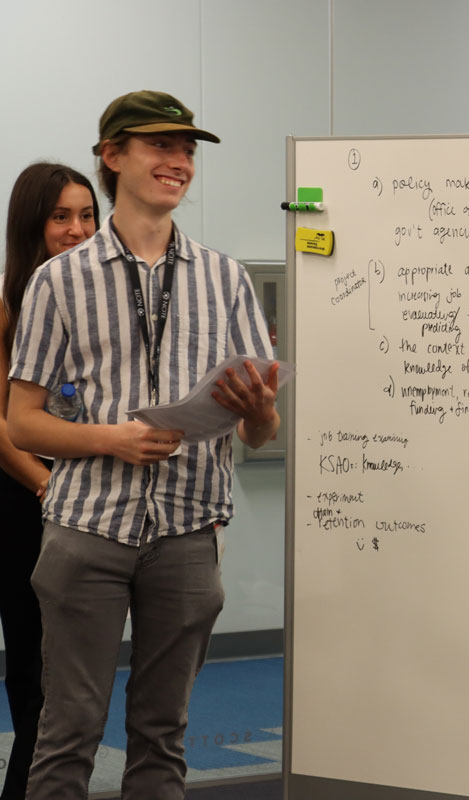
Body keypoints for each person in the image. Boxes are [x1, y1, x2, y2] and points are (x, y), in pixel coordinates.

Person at [7, 90, 280, 800]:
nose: (179, 160)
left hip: (190, 533)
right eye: (161, 145)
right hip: (86, 530)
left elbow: (261, 429)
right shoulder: (58, 280)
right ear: (112, 156)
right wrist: (113, 439)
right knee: (67, 730)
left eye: (188, 148)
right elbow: (22, 423)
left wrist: (258, 416)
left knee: (165, 734)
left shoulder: (226, 279)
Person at [0, 162, 98, 800]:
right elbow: (4, 427)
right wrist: (45, 486)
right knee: (39, 685)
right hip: (22, 502)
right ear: (32, 223)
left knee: (76, 685)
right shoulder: (8, 305)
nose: (77, 229)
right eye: (61, 216)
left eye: (87, 215)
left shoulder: (99, 304)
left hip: (87, 504)